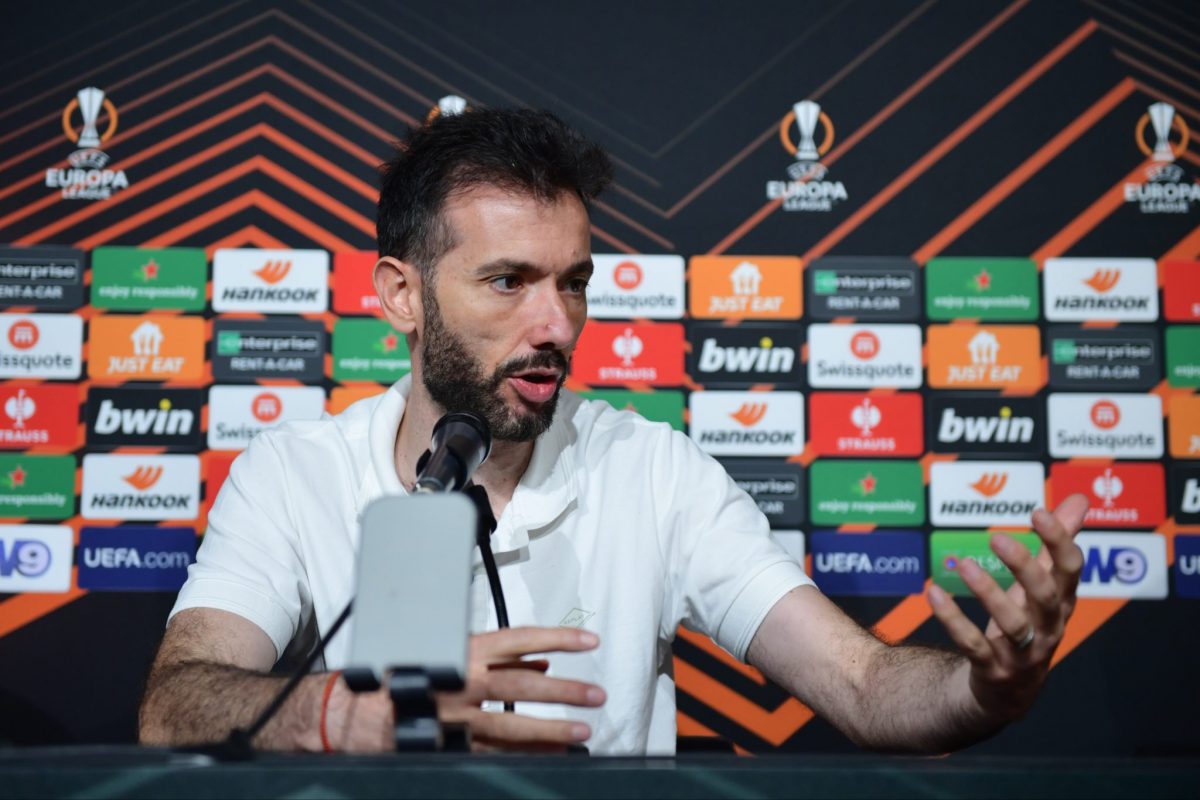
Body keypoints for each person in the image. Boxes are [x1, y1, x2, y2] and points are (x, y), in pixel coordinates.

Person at [138, 107, 1088, 755]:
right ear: (401, 296)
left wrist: (983, 690)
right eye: (508, 282)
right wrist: (338, 715)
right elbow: (174, 706)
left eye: (574, 283)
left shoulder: (654, 471)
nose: (555, 324)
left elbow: (866, 685)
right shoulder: (293, 472)